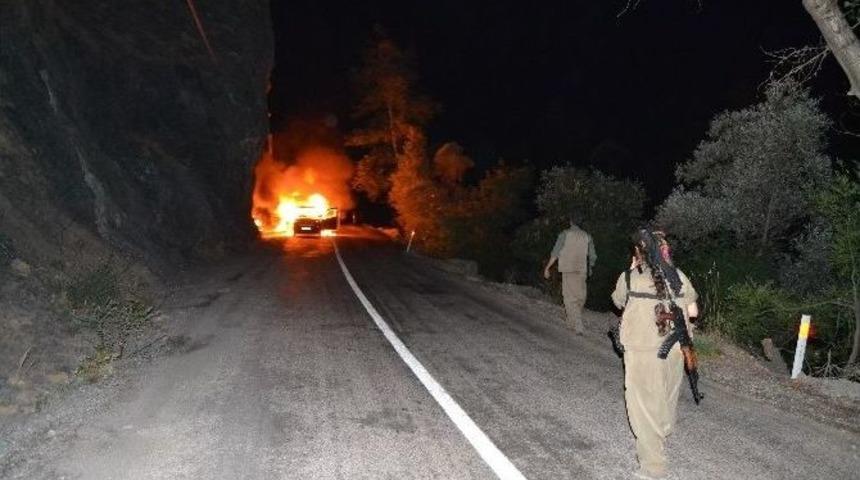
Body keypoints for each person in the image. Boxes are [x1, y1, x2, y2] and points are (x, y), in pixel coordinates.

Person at [610, 229, 699, 480]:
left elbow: (618, 302)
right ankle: (661, 434)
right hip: (676, 349)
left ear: (638, 252)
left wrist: (632, 270)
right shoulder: (679, 276)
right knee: (666, 397)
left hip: (643, 351)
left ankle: (653, 467)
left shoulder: (629, 277)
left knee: (644, 407)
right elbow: (692, 312)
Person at [543, 214, 596, 335]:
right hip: (582, 270)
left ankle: (578, 325)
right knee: (580, 297)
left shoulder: (564, 234)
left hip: (568, 270)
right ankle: (571, 321)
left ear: (571, 222)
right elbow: (592, 255)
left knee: (570, 297)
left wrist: (547, 268)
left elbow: (555, 253)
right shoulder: (587, 236)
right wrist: (590, 268)